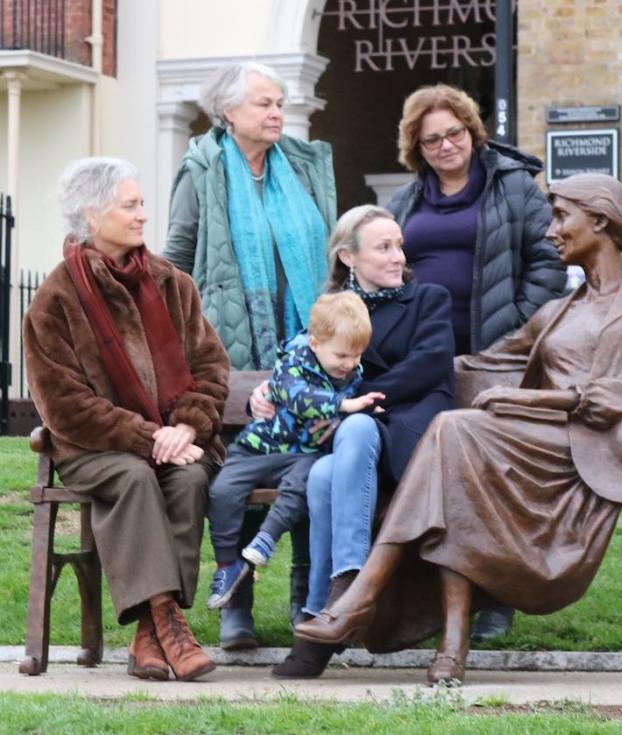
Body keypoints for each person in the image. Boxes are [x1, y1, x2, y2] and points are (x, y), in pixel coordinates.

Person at [294, 174, 622, 686]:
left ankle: (359, 595)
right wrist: (313, 379)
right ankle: (450, 645)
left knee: (455, 433)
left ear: (599, 219)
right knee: (455, 454)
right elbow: (469, 363)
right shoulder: (555, 312)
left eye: (560, 217)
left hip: (598, 444)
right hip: (534, 444)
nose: (550, 232)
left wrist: (551, 398)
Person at [23, 157, 231, 682]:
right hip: (93, 450)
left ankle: (150, 636)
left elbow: (210, 366)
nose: (143, 215)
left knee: (186, 477)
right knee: (136, 475)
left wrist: (186, 425)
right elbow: (64, 405)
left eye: (141, 204)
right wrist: (148, 436)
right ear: (94, 216)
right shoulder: (54, 299)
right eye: (131, 205)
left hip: (179, 440)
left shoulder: (171, 283)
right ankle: (168, 619)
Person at [163, 60, 337, 647]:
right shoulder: (203, 168)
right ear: (228, 112)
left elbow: (333, 252)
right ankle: (235, 599)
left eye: (280, 103)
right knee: (241, 470)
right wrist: (176, 344)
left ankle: (303, 598)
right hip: (232, 349)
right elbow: (178, 258)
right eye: (263, 103)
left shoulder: (305, 166)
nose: (276, 113)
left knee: (313, 463)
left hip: (305, 351)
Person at [388, 84, 567, 640]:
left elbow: (549, 260)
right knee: (422, 470)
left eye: (455, 133)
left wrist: (512, 325)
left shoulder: (514, 186)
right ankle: (422, 597)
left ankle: (496, 595)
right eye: (432, 139)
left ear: (472, 131)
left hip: (494, 353)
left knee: (492, 476)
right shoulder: (405, 200)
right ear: (417, 146)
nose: (446, 146)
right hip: (425, 355)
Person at [260, 205, 455, 678]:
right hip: (352, 445)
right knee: (326, 471)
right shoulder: (331, 310)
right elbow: (300, 368)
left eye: (399, 245)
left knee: (356, 429)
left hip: (411, 434)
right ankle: (328, 609)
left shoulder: (428, 298)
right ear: (349, 257)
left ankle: (340, 595)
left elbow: (430, 364)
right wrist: (269, 390)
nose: (397, 257)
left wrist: (356, 398)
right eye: (383, 247)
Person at [206, 291, 384, 609]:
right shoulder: (295, 359)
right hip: (259, 447)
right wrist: (343, 405)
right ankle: (227, 565)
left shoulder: (350, 371)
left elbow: (346, 412)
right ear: (315, 344)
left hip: (303, 454)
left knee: (303, 483)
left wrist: (355, 412)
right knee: (222, 491)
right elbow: (297, 397)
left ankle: (267, 538)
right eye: (342, 355)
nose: (351, 363)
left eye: (357, 355)